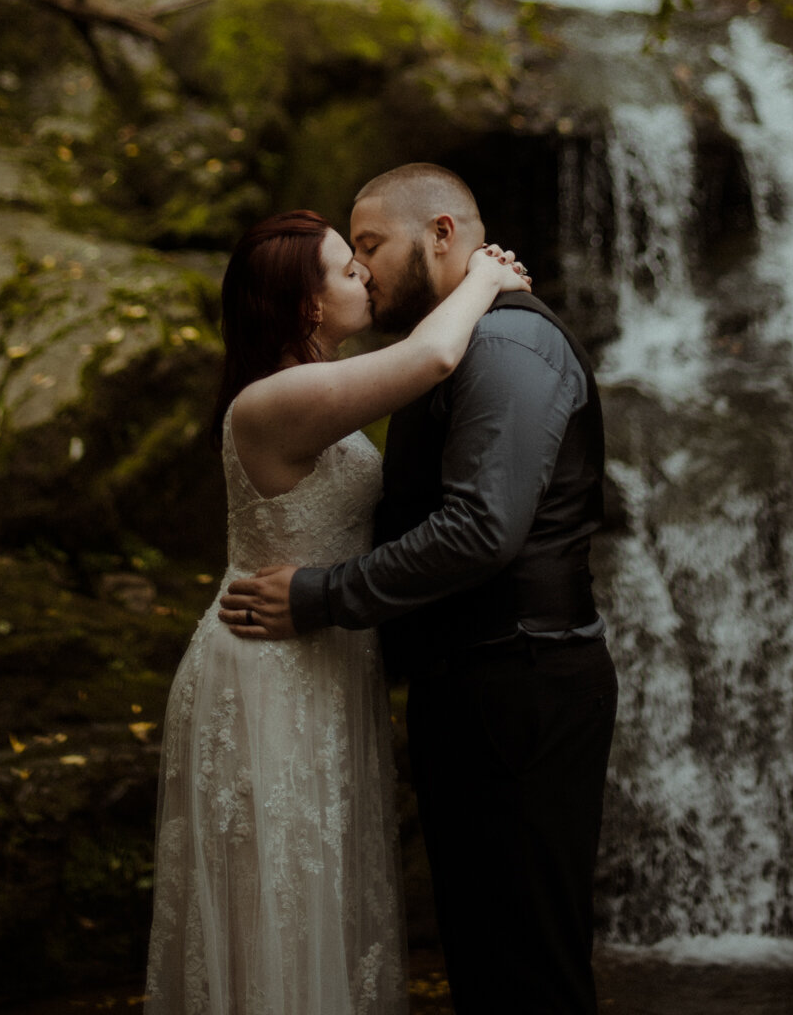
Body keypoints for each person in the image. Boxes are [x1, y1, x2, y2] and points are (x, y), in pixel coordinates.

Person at [220, 165, 617, 1015]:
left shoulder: (503, 347)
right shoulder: (443, 349)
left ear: (440, 234)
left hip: (520, 683)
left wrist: (322, 595)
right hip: (470, 686)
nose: (361, 270)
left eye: (368, 245)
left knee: (526, 968)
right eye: (348, 257)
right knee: (487, 957)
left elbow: (480, 529)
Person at [145, 207, 530, 1015]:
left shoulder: (309, 389)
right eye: (345, 266)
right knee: (278, 909)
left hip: (317, 652)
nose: (364, 272)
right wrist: (487, 277)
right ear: (307, 307)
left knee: (319, 896)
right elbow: (429, 356)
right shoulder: (272, 402)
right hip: (266, 669)